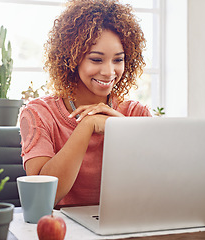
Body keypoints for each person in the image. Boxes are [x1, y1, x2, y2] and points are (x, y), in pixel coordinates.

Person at [19, 0, 151, 209]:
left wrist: (124, 129)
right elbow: (41, 197)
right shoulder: (39, 114)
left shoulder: (135, 113)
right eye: (96, 60)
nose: (109, 72)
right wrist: (88, 126)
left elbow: (154, 186)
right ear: (72, 59)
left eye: (118, 60)